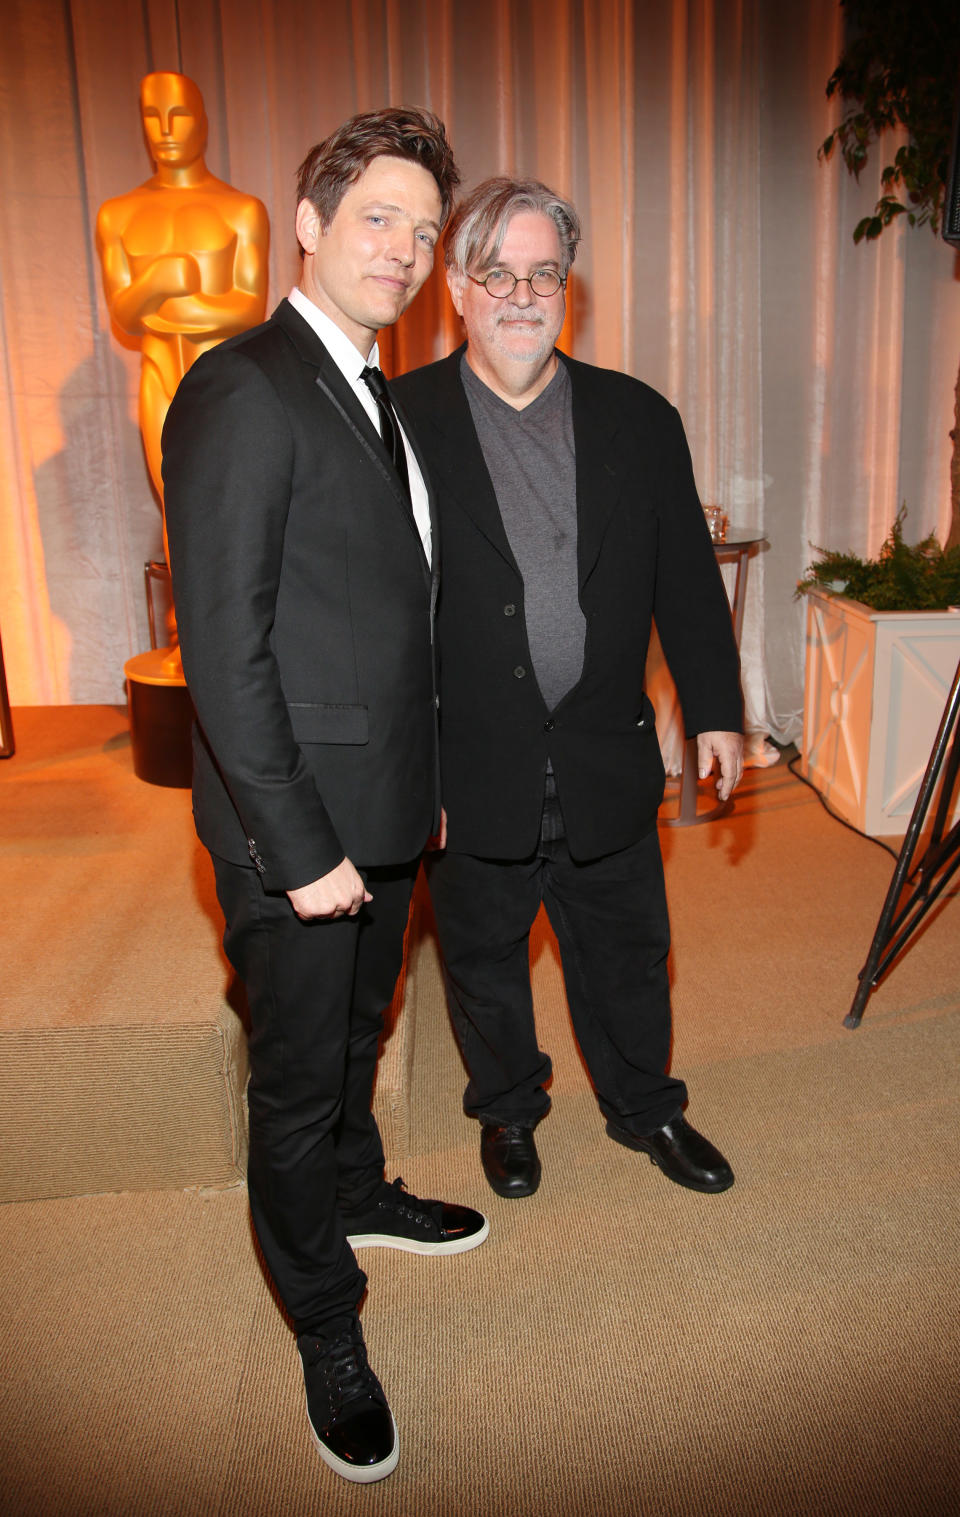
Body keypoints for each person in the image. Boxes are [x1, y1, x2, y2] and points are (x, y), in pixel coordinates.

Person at [161, 108, 487, 1486]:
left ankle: (363, 1195)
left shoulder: (379, 392)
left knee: (364, 1034)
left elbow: (389, 617)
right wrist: (297, 851)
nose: (405, 251)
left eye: (425, 231)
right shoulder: (243, 385)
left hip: (388, 808)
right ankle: (323, 1325)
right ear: (308, 223)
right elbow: (220, 653)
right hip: (289, 826)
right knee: (294, 1088)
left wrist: (428, 794)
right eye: (378, 219)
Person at [393, 177, 743, 1205]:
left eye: (542, 271)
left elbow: (685, 575)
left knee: (630, 952)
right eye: (495, 271)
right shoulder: (398, 423)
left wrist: (717, 707)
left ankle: (648, 1107)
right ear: (454, 287)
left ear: (567, 288)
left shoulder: (638, 418)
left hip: (604, 753)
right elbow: (375, 616)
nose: (521, 293)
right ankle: (508, 1107)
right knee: (483, 957)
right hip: (470, 768)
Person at [97, 71, 269, 661]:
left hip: (221, 381)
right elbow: (123, 310)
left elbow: (248, 306)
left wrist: (164, 301)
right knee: (177, 505)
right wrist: (160, 279)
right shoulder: (118, 215)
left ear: (203, 119)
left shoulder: (241, 210)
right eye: (153, 116)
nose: (166, 130)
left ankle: (238, 637)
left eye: (180, 115)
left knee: (230, 506)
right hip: (159, 378)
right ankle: (184, 638)